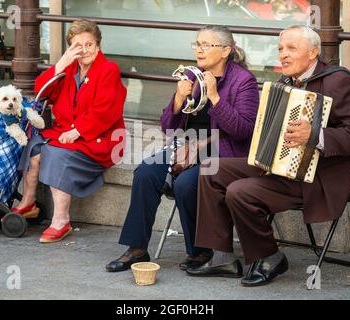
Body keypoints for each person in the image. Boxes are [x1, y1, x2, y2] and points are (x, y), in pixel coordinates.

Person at [187, 25, 350, 286]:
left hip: (317, 176)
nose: (283, 54)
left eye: (292, 48)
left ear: (314, 52)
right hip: (279, 166)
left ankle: (270, 256)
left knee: (240, 191)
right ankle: (221, 256)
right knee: (211, 168)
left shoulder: (337, 80)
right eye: (281, 48)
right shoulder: (284, 83)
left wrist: (315, 135)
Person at [105, 25, 259, 273]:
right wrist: (178, 99)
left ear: (225, 51)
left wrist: (215, 98)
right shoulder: (193, 76)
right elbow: (168, 128)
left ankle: (201, 251)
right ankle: (137, 248)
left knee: (187, 182)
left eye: (206, 45)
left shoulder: (244, 82)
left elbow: (244, 131)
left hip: (224, 153)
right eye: (197, 44)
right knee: (145, 172)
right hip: (184, 146)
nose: (199, 50)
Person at [14, 19, 127, 243]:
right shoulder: (69, 68)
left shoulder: (108, 69)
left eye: (89, 44)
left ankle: (61, 220)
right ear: (70, 48)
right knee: (34, 146)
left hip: (101, 138)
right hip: (65, 133)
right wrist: (61, 63)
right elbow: (41, 91)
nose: (84, 50)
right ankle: (28, 203)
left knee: (57, 153)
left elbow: (106, 110)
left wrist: (78, 132)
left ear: (98, 46)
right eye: (77, 45)